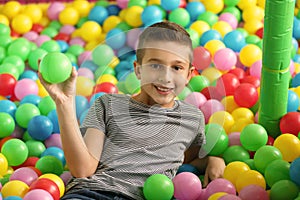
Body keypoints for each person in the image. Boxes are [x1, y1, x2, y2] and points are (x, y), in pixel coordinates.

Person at [39, 21, 225, 200]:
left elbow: (183, 159)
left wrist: (212, 160)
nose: (165, 77)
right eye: (155, 65)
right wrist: (64, 104)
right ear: (138, 70)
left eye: (177, 67)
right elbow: (83, 170)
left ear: (189, 75)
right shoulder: (107, 104)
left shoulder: (192, 119)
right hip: (91, 193)